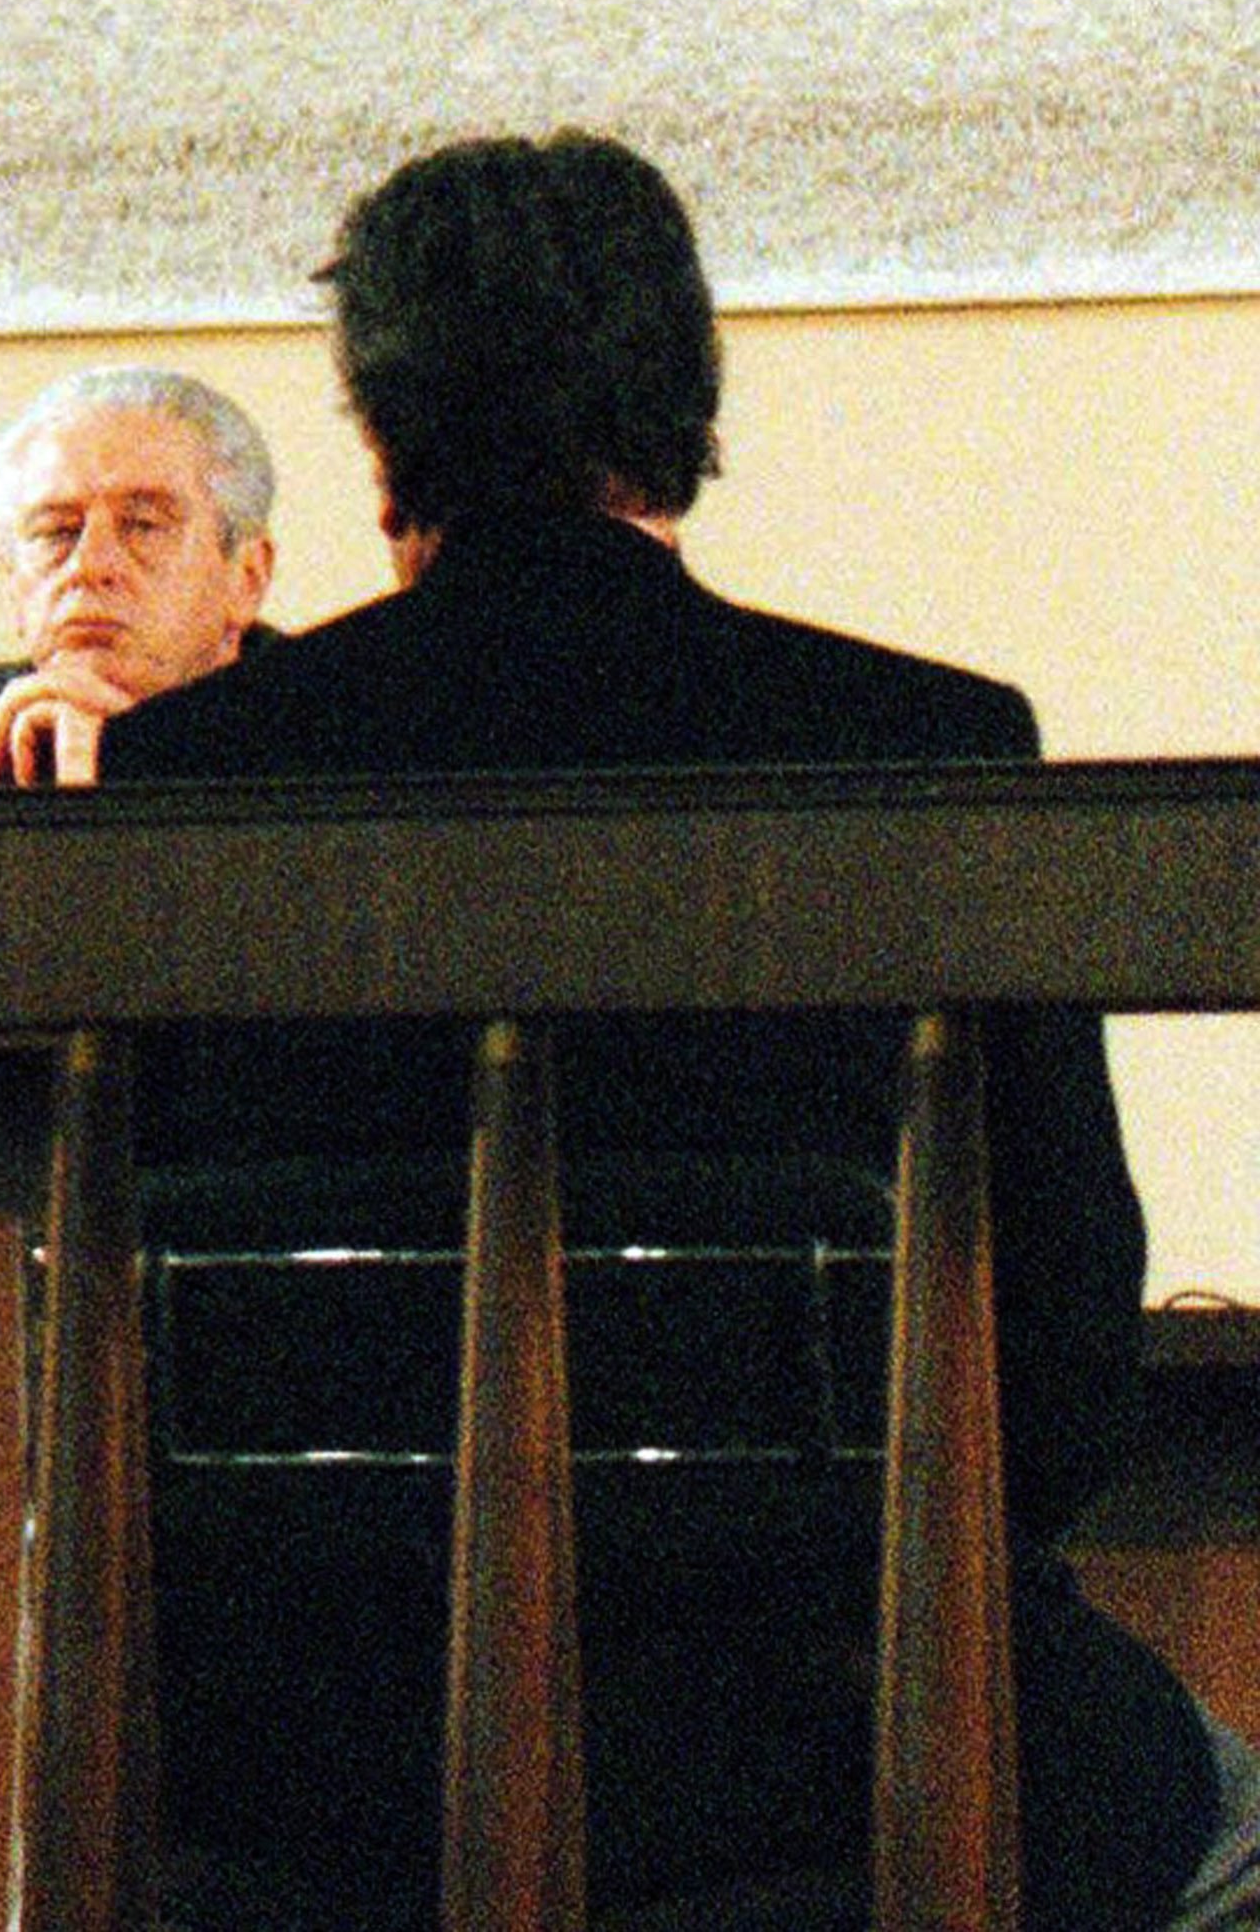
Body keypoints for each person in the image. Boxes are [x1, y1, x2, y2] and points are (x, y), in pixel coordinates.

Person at [100, 132, 1250, 1932]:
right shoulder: (918, 746)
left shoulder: (190, 772)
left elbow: (134, 1347)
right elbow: (1061, 1347)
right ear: (682, 395)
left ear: (380, 431)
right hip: (839, 1728)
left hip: (327, 1765)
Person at [0, 364, 275, 789]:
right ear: (14, 584)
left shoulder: (324, 724)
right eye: (57, 532)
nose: (89, 566)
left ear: (246, 578)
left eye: (143, 525)